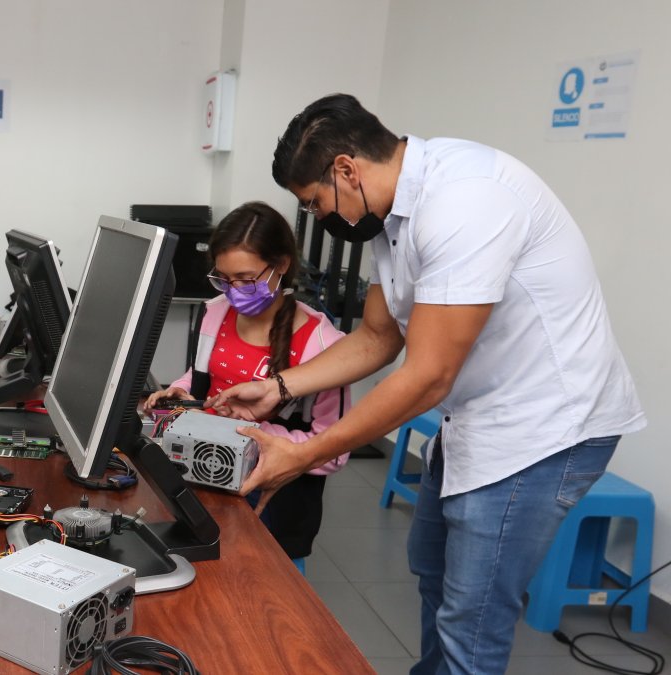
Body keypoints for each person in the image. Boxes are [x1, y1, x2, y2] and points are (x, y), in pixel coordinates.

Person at [209, 94, 645, 674]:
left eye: (314, 203)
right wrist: (280, 388)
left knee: (473, 616)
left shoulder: (465, 201)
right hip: (479, 417)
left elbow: (428, 376)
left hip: (543, 430)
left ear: (346, 169)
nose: (318, 219)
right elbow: (376, 337)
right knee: (434, 571)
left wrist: (304, 452)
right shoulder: (391, 217)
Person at [141, 201, 351, 561]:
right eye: (223, 278)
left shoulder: (323, 347)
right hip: (204, 479)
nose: (233, 290)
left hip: (274, 502)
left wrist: (251, 438)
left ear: (281, 265)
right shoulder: (215, 312)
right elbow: (203, 377)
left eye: (245, 279)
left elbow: (334, 450)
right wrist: (182, 391)